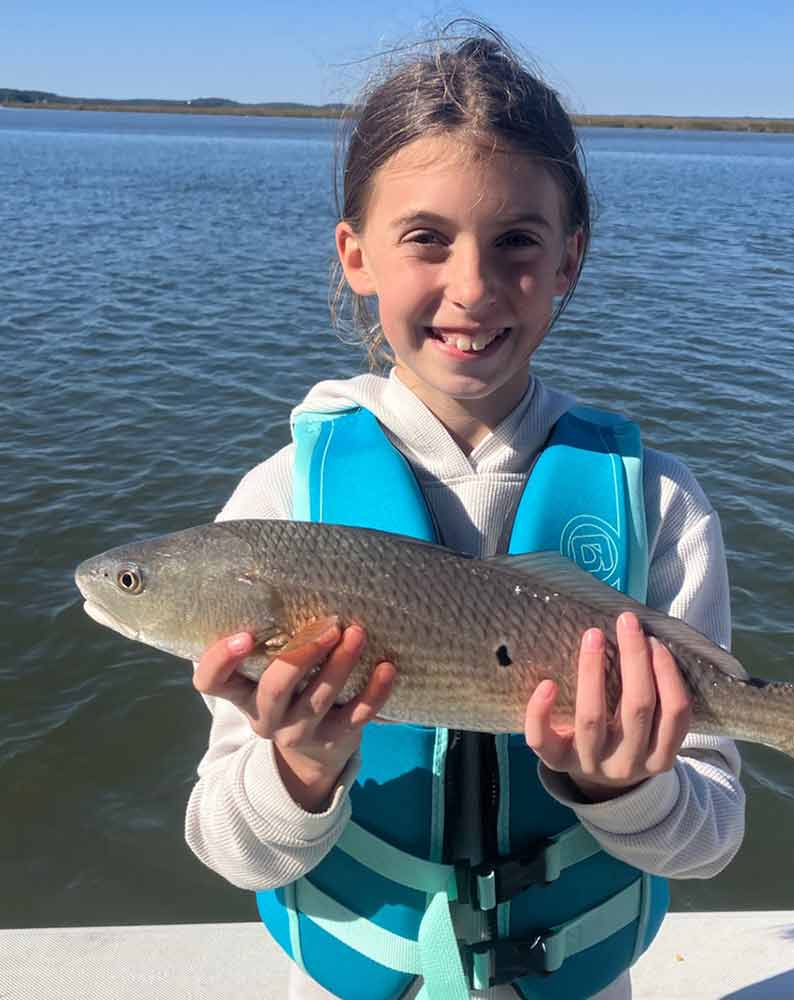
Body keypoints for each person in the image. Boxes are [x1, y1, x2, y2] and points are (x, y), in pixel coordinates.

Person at [185, 24, 745, 1000]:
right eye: (425, 239)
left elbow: (711, 837)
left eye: (517, 242)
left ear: (570, 259)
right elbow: (229, 847)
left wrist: (624, 783)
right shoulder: (278, 507)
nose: (473, 286)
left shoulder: (657, 500)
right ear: (355, 255)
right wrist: (301, 765)